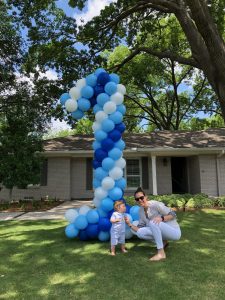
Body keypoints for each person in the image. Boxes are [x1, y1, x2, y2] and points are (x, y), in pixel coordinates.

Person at [125, 187, 181, 261]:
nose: (140, 200)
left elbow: (173, 214)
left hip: (174, 231)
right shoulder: (141, 211)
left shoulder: (155, 204)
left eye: (141, 198)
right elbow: (140, 228)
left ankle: (161, 253)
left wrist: (161, 218)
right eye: (137, 199)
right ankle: (164, 242)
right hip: (161, 231)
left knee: (153, 222)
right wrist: (130, 224)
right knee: (139, 232)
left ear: (146, 197)